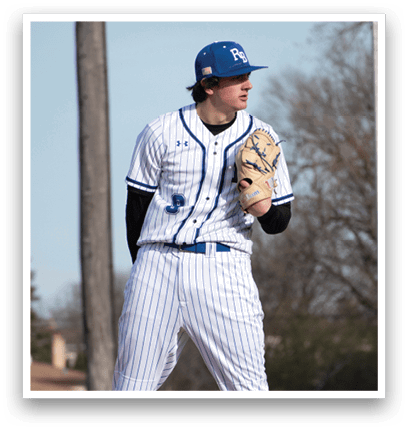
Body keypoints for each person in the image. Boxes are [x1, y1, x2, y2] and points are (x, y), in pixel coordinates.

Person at [113, 41, 294, 391]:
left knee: (250, 390)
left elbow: (280, 221)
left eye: (247, 76)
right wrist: (144, 270)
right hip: (157, 263)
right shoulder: (160, 131)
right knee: (130, 389)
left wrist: (263, 210)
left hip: (224, 267)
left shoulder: (262, 136)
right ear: (209, 86)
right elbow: (135, 210)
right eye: (237, 78)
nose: (248, 84)